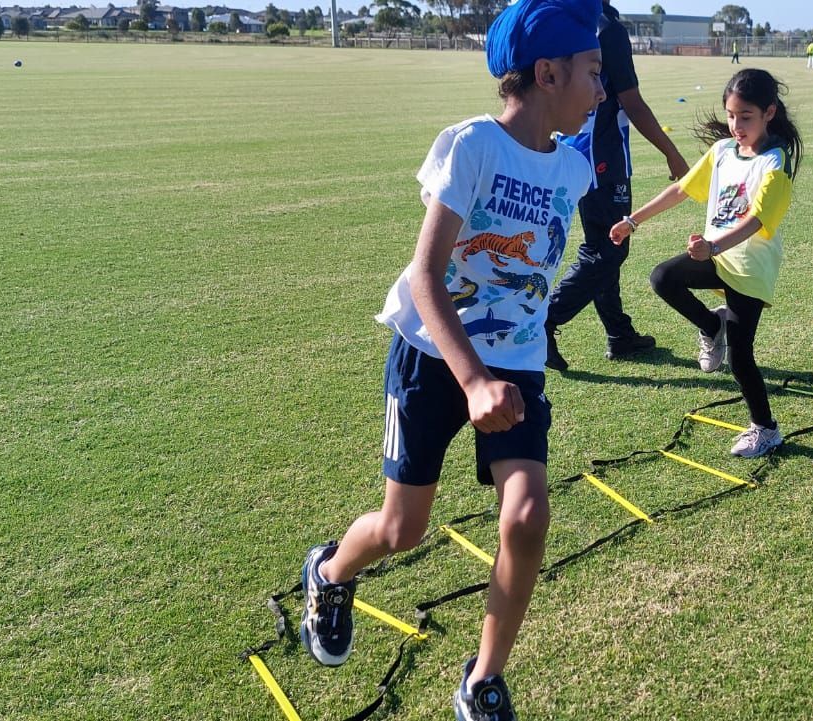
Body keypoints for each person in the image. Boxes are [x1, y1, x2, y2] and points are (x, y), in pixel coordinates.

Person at [294, 2, 601, 719]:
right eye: (593, 72)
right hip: (436, 355)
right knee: (404, 530)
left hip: (517, 364)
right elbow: (427, 277)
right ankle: (332, 572)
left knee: (526, 517)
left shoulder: (575, 165)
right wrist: (472, 380)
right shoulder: (471, 148)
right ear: (547, 73)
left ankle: (483, 678)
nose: (601, 87)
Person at [610, 68, 803, 458]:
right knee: (663, 277)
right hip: (717, 254)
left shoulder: (775, 162)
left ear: (769, 113)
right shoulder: (722, 152)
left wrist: (713, 248)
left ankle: (766, 429)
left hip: (750, 267)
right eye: (731, 115)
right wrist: (633, 221)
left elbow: (758, 220)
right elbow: (682, 189)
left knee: (740, 357)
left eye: (745, 117)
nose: (735, 125)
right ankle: (710, 324)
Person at [545, 0, 689, 372]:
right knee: (608, 248)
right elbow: (633, 103)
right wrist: (672, 153)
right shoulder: (607, 29)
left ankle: (619, 334)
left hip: (571, 147)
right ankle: (546, 319)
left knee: (605, 243)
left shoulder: (568, 18)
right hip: (602, 157)